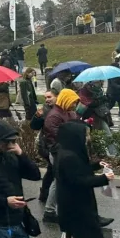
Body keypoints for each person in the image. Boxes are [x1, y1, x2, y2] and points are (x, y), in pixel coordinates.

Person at [55, 121, 113, 238]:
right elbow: (79, 180)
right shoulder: (69, 157)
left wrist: (95, 166)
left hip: (69, 203)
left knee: (72, 234)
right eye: (85, 134)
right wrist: (104, 178)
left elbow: (78, 171)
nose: (87, 137)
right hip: (78, 204)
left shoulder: (66, 152)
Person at [41, 88, 80, 222]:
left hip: (67, 151)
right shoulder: (54, 116)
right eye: (73, 102)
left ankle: (60, 209)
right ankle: (49, 211)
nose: (75, 105)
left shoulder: (69, 113)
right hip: (58, 152)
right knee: (58, 181)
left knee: (62, 181)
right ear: (66, 100)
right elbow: (54, 137)